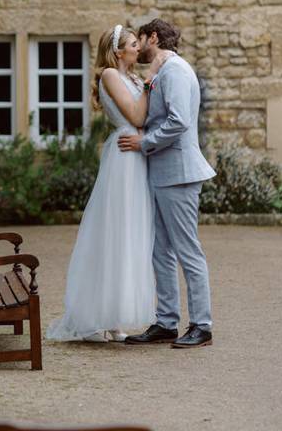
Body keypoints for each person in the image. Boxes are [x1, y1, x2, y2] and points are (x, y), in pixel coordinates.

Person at [46, 25, 158, 343]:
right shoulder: (111, 74)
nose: (140, 48)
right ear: (119, 51)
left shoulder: (134, 78)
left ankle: (114, 316)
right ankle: (103, 317)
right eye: (134, 44)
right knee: (118, 233)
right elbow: (137, 115)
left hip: (138, 153)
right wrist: (153, 78)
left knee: (133, 234)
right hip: (125, 157)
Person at [119, 18, 217, 349]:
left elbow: (178, 122)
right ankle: (166, 321)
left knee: (187, 250)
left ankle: (202, 325)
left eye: (141, 39)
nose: (139, 45)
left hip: (179, 173)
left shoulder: (175, 71)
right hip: (162, 174)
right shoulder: (161, 72)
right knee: (160, 250)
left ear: (153, 38)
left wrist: (143, 143)